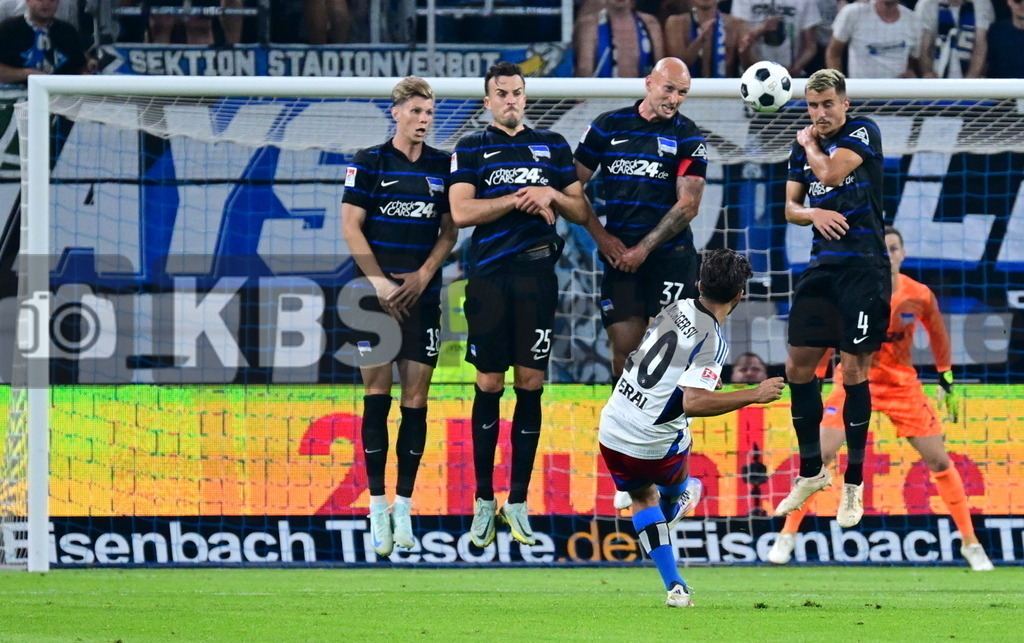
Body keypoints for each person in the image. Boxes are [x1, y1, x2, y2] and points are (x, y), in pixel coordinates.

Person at [769, 226, 994, 572]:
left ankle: (970, 543)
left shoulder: (918, 294)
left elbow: (937, 332)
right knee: (822, 454)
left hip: (901, 385)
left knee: (938, 460)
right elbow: (829, 336)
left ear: (902, 253)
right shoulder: (853, 289)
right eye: (883, 248)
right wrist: (814, 378)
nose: (888, 254)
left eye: (894, 248)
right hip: (852, 380)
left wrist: (946, 376)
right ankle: (787, 535)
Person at [449, 61, 591, 548]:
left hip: (536, 279)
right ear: (487, 101)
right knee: (489, 382)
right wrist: (517, 199)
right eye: (501, 93)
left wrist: (549, 191)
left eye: (517, 93)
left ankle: (519, 499)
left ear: (526, 98)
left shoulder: (552, 145)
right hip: (488, 279)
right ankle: (483, 499)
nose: (510, 100)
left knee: (530, 382)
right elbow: (462, 211)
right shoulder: (470, 147)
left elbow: (581, 209)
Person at [599, 248, 785, 607]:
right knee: (670, 475)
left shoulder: (674, 308)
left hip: (612, 425)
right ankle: (684, 493)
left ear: (699, 284)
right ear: (738, 296)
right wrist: (754, 394)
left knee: (641, 498)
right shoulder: (712, 341)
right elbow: (694, 402)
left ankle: (676, 587)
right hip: (651, 442)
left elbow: (654, 352)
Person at [340, 76, 456, 557]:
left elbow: (450, 230)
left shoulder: (442, 166)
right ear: (396, 113)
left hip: (421, 296)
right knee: (375, 392)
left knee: (416, 398)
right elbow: (350, 227)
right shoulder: (368, 162)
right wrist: (380, 283)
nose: (424, 121)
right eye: (416, 112)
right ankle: (376, 506)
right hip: (372, 297)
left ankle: (405, 507)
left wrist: (425, 274)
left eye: (429, 114)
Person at [774, 68, 889, 529]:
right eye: (812, 105)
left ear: (844, 103)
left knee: (854, 370)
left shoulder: (863, 132)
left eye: (827, 105)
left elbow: (830, 171)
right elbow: (790, 209)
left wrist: (808, 146)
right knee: (798, 367)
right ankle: (810, 471)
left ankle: (854, 485)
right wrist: (812, 212)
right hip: (822, 269)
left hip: (864, 269)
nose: (819, 114)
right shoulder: (798, 149)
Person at [574, 57, 708, 382]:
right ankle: (625, 426)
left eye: (683, 93)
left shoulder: (688, 135)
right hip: (619, 256)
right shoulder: (607, 126)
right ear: (649, 83)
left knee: (666, 353)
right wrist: (602, 238)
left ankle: (665, 429)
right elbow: (571, 186)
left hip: (670, 257)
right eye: (669, 89)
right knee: (624, 349)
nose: (674, 99)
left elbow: (689, 204)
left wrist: (644, 248)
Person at [826, 0, 922, 78]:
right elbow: (833, 54)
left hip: (900, 95)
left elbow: (912, 59)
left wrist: (910, 72)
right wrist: (839, 86)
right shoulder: (853, 13)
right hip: (861, 95)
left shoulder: (913, 19)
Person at [0, 0, 88, 84]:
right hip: (15, 93)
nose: (46, 3)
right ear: (27, 1)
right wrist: (28, 74)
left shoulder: (68, 31)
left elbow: (80, 69)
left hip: (60, 93)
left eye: (52, 0)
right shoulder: (7, 29)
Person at [664, 0, 754, 78]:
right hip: (688, 92)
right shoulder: (676, 23)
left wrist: (745, 53)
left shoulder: (736, 25)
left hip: (725, 92)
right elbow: (676, 68)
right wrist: (700, 40)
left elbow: (751, 69)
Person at [574, 0, 664, 77]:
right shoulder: (590, 24)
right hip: (601, 93)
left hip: (642, 93)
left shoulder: (650, 23)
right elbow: (584, 71)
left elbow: (660, 70)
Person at [733, 0, 822, 77]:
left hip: (790, 73)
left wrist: (797, 67)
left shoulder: (805, 2)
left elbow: (810, 45)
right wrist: (762, 29)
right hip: (753, 73)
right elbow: (742, 42)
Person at [916, 0, 994, 78]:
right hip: (937, 73)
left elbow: (980, 45)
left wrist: (969, 81)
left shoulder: (982, 3)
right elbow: (924, 49)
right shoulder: (927, 4)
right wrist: (929, 73)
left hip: (970, 76)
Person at [985, 0, 1024, 78]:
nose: (1023, 4)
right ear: (1009, 1)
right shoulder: (996, 32)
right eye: (1018, 0)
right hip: (999, 88)